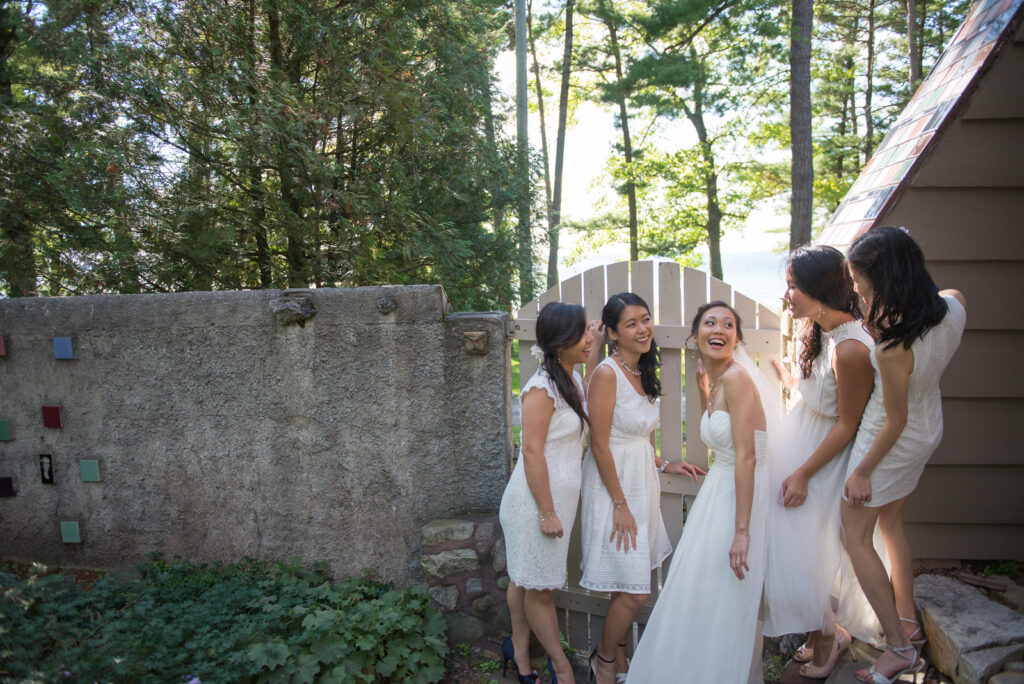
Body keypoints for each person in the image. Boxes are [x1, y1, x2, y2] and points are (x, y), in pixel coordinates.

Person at [626, 301, 775, 684]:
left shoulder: (738, 379)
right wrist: (703, 387)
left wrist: (741, 532)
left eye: (728, 325)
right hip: (718, 494)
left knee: (723, 593)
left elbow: (746, 457)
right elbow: (720, 429)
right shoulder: (717, 379)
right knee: (702, 590)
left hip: (737, 497)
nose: (719, 330)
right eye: (710, 323)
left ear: (737, 338)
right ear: (696, 335)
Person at [841, 226, 966, 684]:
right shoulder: (954, 305)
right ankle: (908, 616)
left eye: (861, 282)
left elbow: (893, 420)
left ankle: (899, 648)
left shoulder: (895, 347)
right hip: (928, 427)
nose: (857, 290)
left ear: (887, 279)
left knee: (854, 533)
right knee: (891, 520)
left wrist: (862, 471)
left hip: (889, 440)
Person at [762, 245, 875, 679]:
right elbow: (822, 393)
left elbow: (847, 423)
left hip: (823, 458)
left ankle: (830, 635)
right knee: (793, 545)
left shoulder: (852, 347)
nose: (786, 295)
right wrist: (790, 380)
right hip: (802, 442)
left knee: (804, 550)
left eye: (793, 286)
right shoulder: (821, 331)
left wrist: (803, 474)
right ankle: (819, 630)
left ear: (820, 288)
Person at [580, 293, 704, 684]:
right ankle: (603, 661)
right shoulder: (607, 373)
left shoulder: (641, 369)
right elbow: (599, 443)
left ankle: (617, 659)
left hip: (639, 481)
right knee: (635, 592)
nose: (643, 329)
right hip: (612, 487)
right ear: (614, 334)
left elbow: (636, 437)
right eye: (631, 324)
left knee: (626, 582)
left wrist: (665, 463)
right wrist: (620, 504)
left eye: (645, 319)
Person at [499, 302, 600, 684]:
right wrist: (546, 511)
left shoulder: (569, 378)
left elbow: (582, 405)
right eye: (581, 334)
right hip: (535, 504)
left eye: (587, 332)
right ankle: (561, 668)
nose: (588, 339)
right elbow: (531, 451)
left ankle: (519, 652)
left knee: (523, 580)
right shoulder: (541, 388)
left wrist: (594, 343)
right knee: (539, 590)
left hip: (553, 502)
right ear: (559, 343)